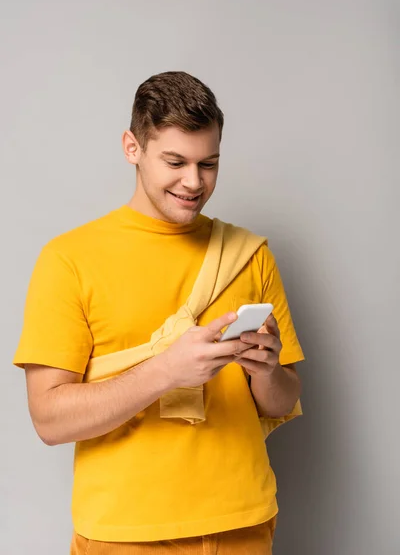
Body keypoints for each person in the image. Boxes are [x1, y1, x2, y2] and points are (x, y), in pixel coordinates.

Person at [14, 71, 304, 554]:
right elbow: (49, 420)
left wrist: (268, 370)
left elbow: (281, 401)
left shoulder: (249, 254)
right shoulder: (69, 259)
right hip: (126, 533)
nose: (194, 182)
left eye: (208, 164)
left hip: (244, 522)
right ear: (133, 147)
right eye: (175, 161)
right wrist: (168, 370)